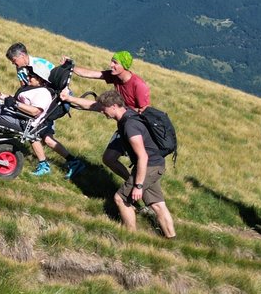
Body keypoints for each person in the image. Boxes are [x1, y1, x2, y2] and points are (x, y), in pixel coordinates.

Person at [98, 90, 175, 238]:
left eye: (104, 108)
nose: (102, 111)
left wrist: (138, 186)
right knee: (157, 204)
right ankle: (171, 238)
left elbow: (143, 157)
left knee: (120, 198)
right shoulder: (128, 116)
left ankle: (130, 237)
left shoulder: (130, 125)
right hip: (156, 164)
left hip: (149, 166)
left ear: (114, 106)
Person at [63, 50, 151, 180]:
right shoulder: (114, 76)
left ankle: (138, 186)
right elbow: (91, 74)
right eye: (112, 61)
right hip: (123, 125)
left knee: (140, 161)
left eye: (115, 63)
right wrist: (70, 66)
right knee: (109, 159)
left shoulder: (138, 85)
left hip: (135, 129)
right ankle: (130, 183)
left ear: (124, 66)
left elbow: (145, 111)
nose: (111, 65)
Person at [13, 70, 85, 178]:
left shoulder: (43, 91)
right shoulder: (43, 88)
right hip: (47, 117)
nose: (28, 78)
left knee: (32, 135)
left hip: (44, 118)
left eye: (31, 76)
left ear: (40, 79)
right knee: (48, 140)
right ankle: (74, 162)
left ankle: (44, 165)